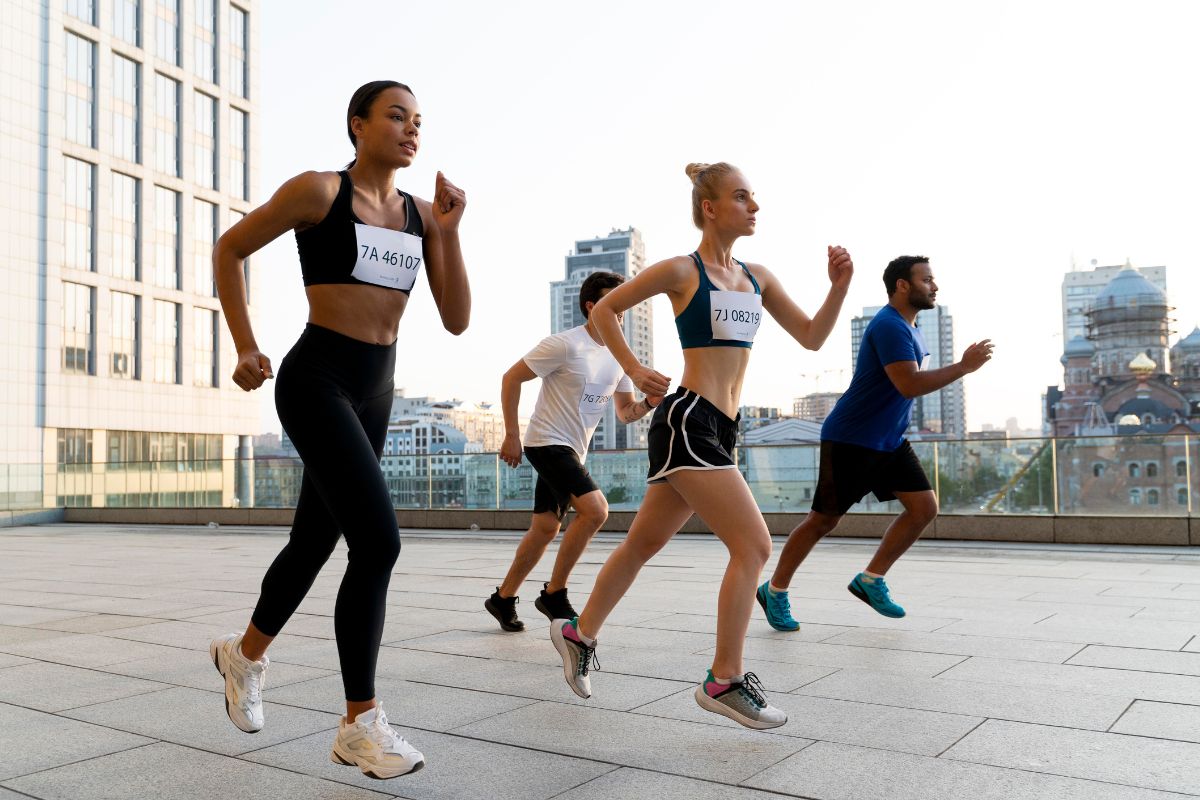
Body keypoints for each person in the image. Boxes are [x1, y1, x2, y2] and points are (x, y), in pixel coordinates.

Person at [208, 80, 469, 779]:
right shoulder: (319, 192)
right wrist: (244, 344)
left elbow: (456, 317)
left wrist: (450, 229)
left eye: (420, 120)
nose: (412, 130)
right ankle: (360, 723)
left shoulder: (419, 215)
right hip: (316, 378)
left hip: (376, 390)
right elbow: (229, 249)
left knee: (314, 541)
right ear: (357, 124)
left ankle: (244, 655)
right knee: (378, 543)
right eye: (396, 116)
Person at [549, 162, 853, 730]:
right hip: (689, 419)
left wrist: (837, 290)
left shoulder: (756, 277)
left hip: (721, 429)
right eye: (742, 197)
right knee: (755, 546)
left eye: (754, 197)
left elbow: (812, 337)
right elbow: (607, 310)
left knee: (643, 543)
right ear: (710, 208)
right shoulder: (682, 271)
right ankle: (724, 679)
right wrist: (636, 369)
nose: (754, 206)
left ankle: (578, 632)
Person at [758, 256, 993, 631]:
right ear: (903, 285)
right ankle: (775, 590)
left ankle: (870, 579)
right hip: (853, 437)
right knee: (822, 521)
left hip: (888, 440)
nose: (935, 286)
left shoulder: (912, 328)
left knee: (923, 508)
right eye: (927, 280)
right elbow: (909, 384)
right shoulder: (888, 326)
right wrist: (963, 367)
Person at [485, 271, 660, 631]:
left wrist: (649, 403)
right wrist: (511, 435)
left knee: (545, 528)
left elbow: (626, 413)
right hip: (546, 442)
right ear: (591, 307)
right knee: (596, 511)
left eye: (623, 305)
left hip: (572, 452)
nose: (620, 312)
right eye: (613, 303)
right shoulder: (564, 344)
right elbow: (511, 378)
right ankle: (554, 593)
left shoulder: (620, 357)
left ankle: (502, 599)